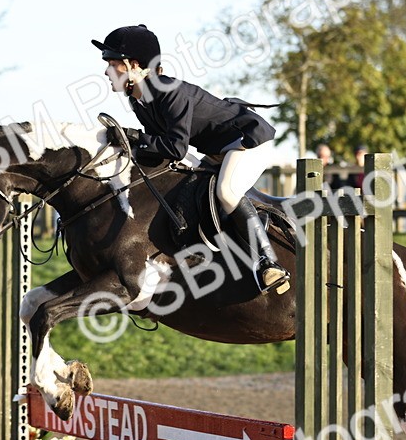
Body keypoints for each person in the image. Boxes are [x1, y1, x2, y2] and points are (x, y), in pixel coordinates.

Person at [92, 24, 289, 294]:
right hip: (218, 149)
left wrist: (135, 137)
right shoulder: (139, 98)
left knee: (226, 192)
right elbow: (158, 147)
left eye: (113, 64)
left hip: (247, 141)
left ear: (134, 65)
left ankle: (269, 264)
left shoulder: (169, 92)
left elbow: (175, 148)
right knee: (186, 187)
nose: (107, 71)